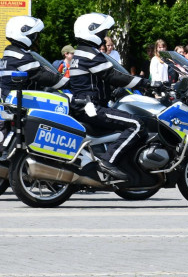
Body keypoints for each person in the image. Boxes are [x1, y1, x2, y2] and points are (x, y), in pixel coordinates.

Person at [67, 12, 156, 181]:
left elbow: (95, 81)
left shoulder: (82, 53)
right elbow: (113, 76)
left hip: (85, 105)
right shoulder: (90, 54)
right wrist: (146, 83)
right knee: (137, 124)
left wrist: (112, 91)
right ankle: (109, 161)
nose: (104, 36)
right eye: (102, 33)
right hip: (92, 108)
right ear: (92, 32)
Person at [0, 16, 63, 93]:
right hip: (20, 103)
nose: (37, 40)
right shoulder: (21, 58)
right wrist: (70, 82)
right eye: (35, 36)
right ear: (26, 34)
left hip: (10, 100)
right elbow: (45, 77)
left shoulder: (10, 55)